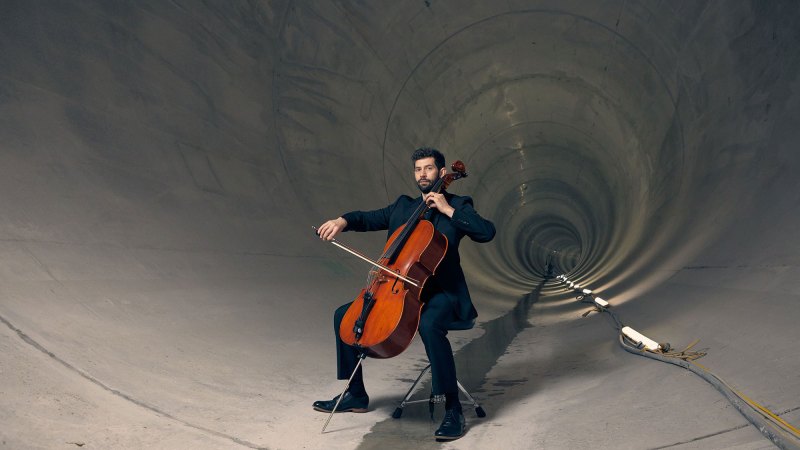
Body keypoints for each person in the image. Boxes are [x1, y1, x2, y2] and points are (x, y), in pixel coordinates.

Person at [313, 147, 496, 440]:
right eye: (418, 169)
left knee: (429, 323)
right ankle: (355, 394)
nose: (423, 174)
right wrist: (342, 221)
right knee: (342, 315)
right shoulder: (403, 207)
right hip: (398, 289)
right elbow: (367, 218)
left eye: (428, 169)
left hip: (442, 294)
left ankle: (452, 409)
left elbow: (486, 232)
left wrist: (448, 209)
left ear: (441, 171)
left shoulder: (459, 204)